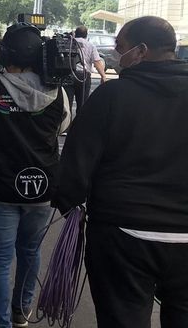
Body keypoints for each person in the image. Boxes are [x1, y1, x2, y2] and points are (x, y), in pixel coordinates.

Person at [52, 16, 188, 328]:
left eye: (120, 47)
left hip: (122, 237)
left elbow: (76, 163)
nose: (115, 53)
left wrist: (68, 201)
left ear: (141, 51)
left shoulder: (112, 96)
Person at [0, 23, 70, 328]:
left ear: (4, 53)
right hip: (42, 186)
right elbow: (62, 128)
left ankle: (1, 322)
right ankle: (21, 310)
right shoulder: (59, 94)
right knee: (30, 250)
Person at [67, 25, 106, 114]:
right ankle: (79, 125)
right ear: (86, 35)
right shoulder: (91, 45)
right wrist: (103, 76)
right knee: (82, 104)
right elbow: (97, 62)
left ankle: (66, 126)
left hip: (69, 75)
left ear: (75, 34)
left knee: (67, 104)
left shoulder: (69, 43)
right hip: (84, 77)